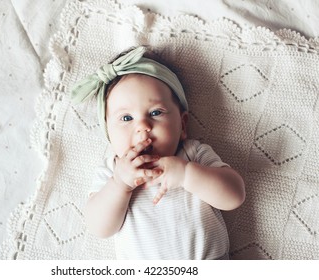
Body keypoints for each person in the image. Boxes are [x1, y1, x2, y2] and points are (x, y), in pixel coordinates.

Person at [71, 46, 245, 259]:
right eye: (126, 118)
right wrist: (120, 184)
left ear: (182, 125)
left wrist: (186, 174)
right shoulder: (112, 172)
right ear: (108, 132)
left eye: (156, 112)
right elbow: (99, 227)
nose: (142, 125)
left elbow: (234, 195)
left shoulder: (192, 154)